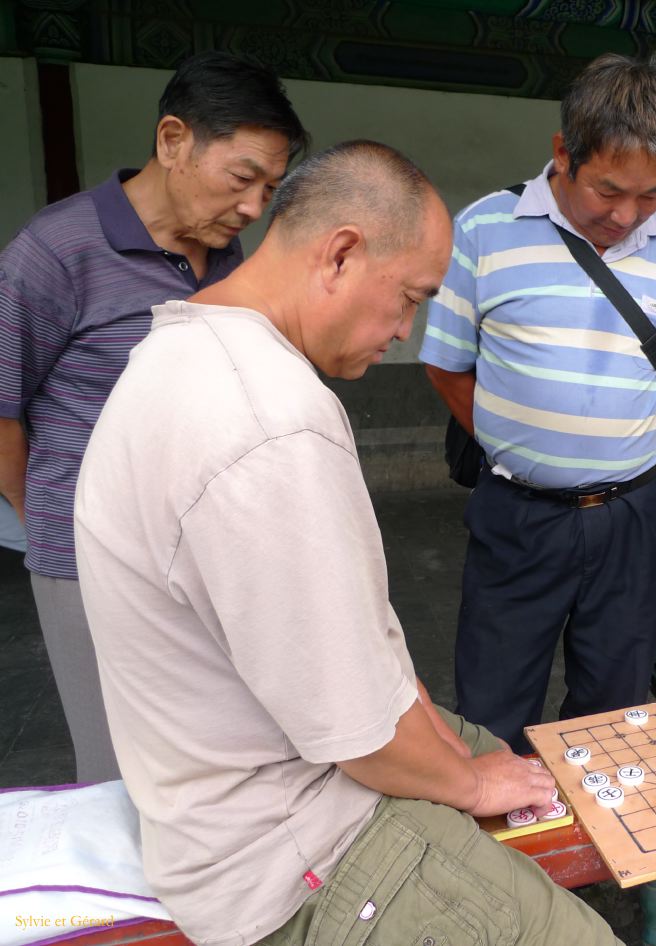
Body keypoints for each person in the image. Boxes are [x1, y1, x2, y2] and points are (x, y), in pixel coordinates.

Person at [75, 141, 619, 946]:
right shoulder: (268, 423)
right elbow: (362, 735)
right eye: (407, 299)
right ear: (339, 254)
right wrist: (465, 784)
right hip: (294, 851)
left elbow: (362, 669)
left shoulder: (183, 348)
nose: (405, 330)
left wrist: (466, 759)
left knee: (499, 754)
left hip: (248, 787)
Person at [0, 51, 305, 782]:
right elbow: (3, 411)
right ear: (173, 141)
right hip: (88, 561)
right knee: (117, 764)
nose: (254, 209)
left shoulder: (229, 259)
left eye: (270, 188)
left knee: (206, 755)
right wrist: (48, 516)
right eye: (242, 179)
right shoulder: (56, 251)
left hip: (204, 554)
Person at [420, 53, 656, 752]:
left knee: (613, 708)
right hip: (518, 515)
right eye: (609, 191)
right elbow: (445, 366)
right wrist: (515, 447)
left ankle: (592, 852)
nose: (627, 215)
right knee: (495, 703)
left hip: (633, 518)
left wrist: (611, 450)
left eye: (650, 195)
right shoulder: (485, 231)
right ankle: (507, 849)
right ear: (563, 153)